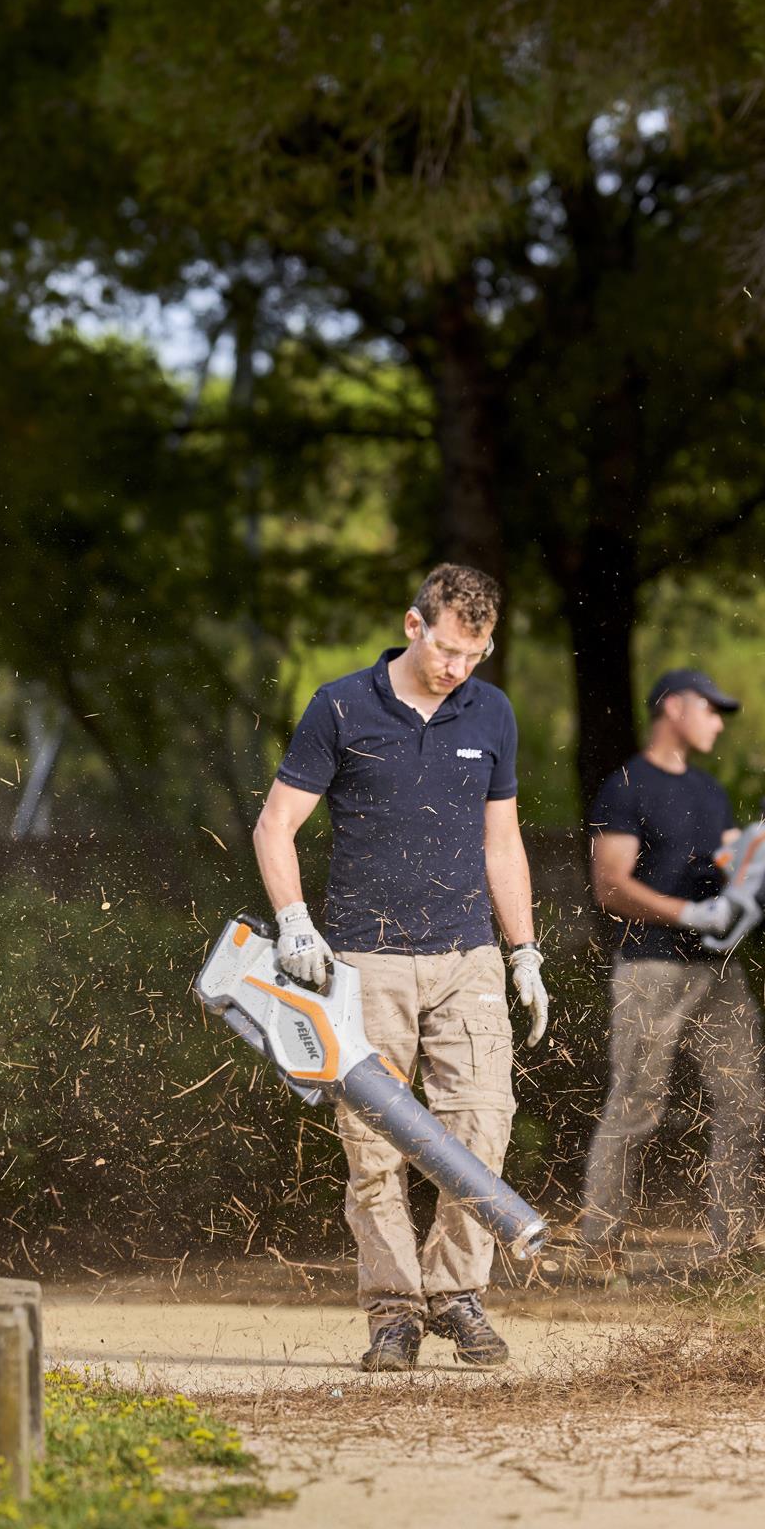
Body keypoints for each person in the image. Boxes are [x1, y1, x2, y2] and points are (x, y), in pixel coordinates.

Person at [251, 563, 548, 1372]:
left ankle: (456, 1294)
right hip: (364, 959)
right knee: (374, 1147)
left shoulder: (491, 712)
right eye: (448, 650)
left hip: (467, 955)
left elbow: (502, 841)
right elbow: (275, 826)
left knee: (482, 1126)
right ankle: (393, 1312)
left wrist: (523, 950)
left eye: (475, 656)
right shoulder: (342, 706)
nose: (458, 668)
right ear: (414, 626)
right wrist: (295, 923)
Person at [578, 667, 765, 1260]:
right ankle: (599, 1245)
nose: (718, 723)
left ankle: (732, 1246)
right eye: (710, 710)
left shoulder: (711, 792)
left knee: (745, 1102)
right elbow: (610, 886)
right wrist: (687, 913)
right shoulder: (626, 786)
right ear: (675, 707)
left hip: (718, 969)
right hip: (650, 967)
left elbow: (730, 869)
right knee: (636, 1107)